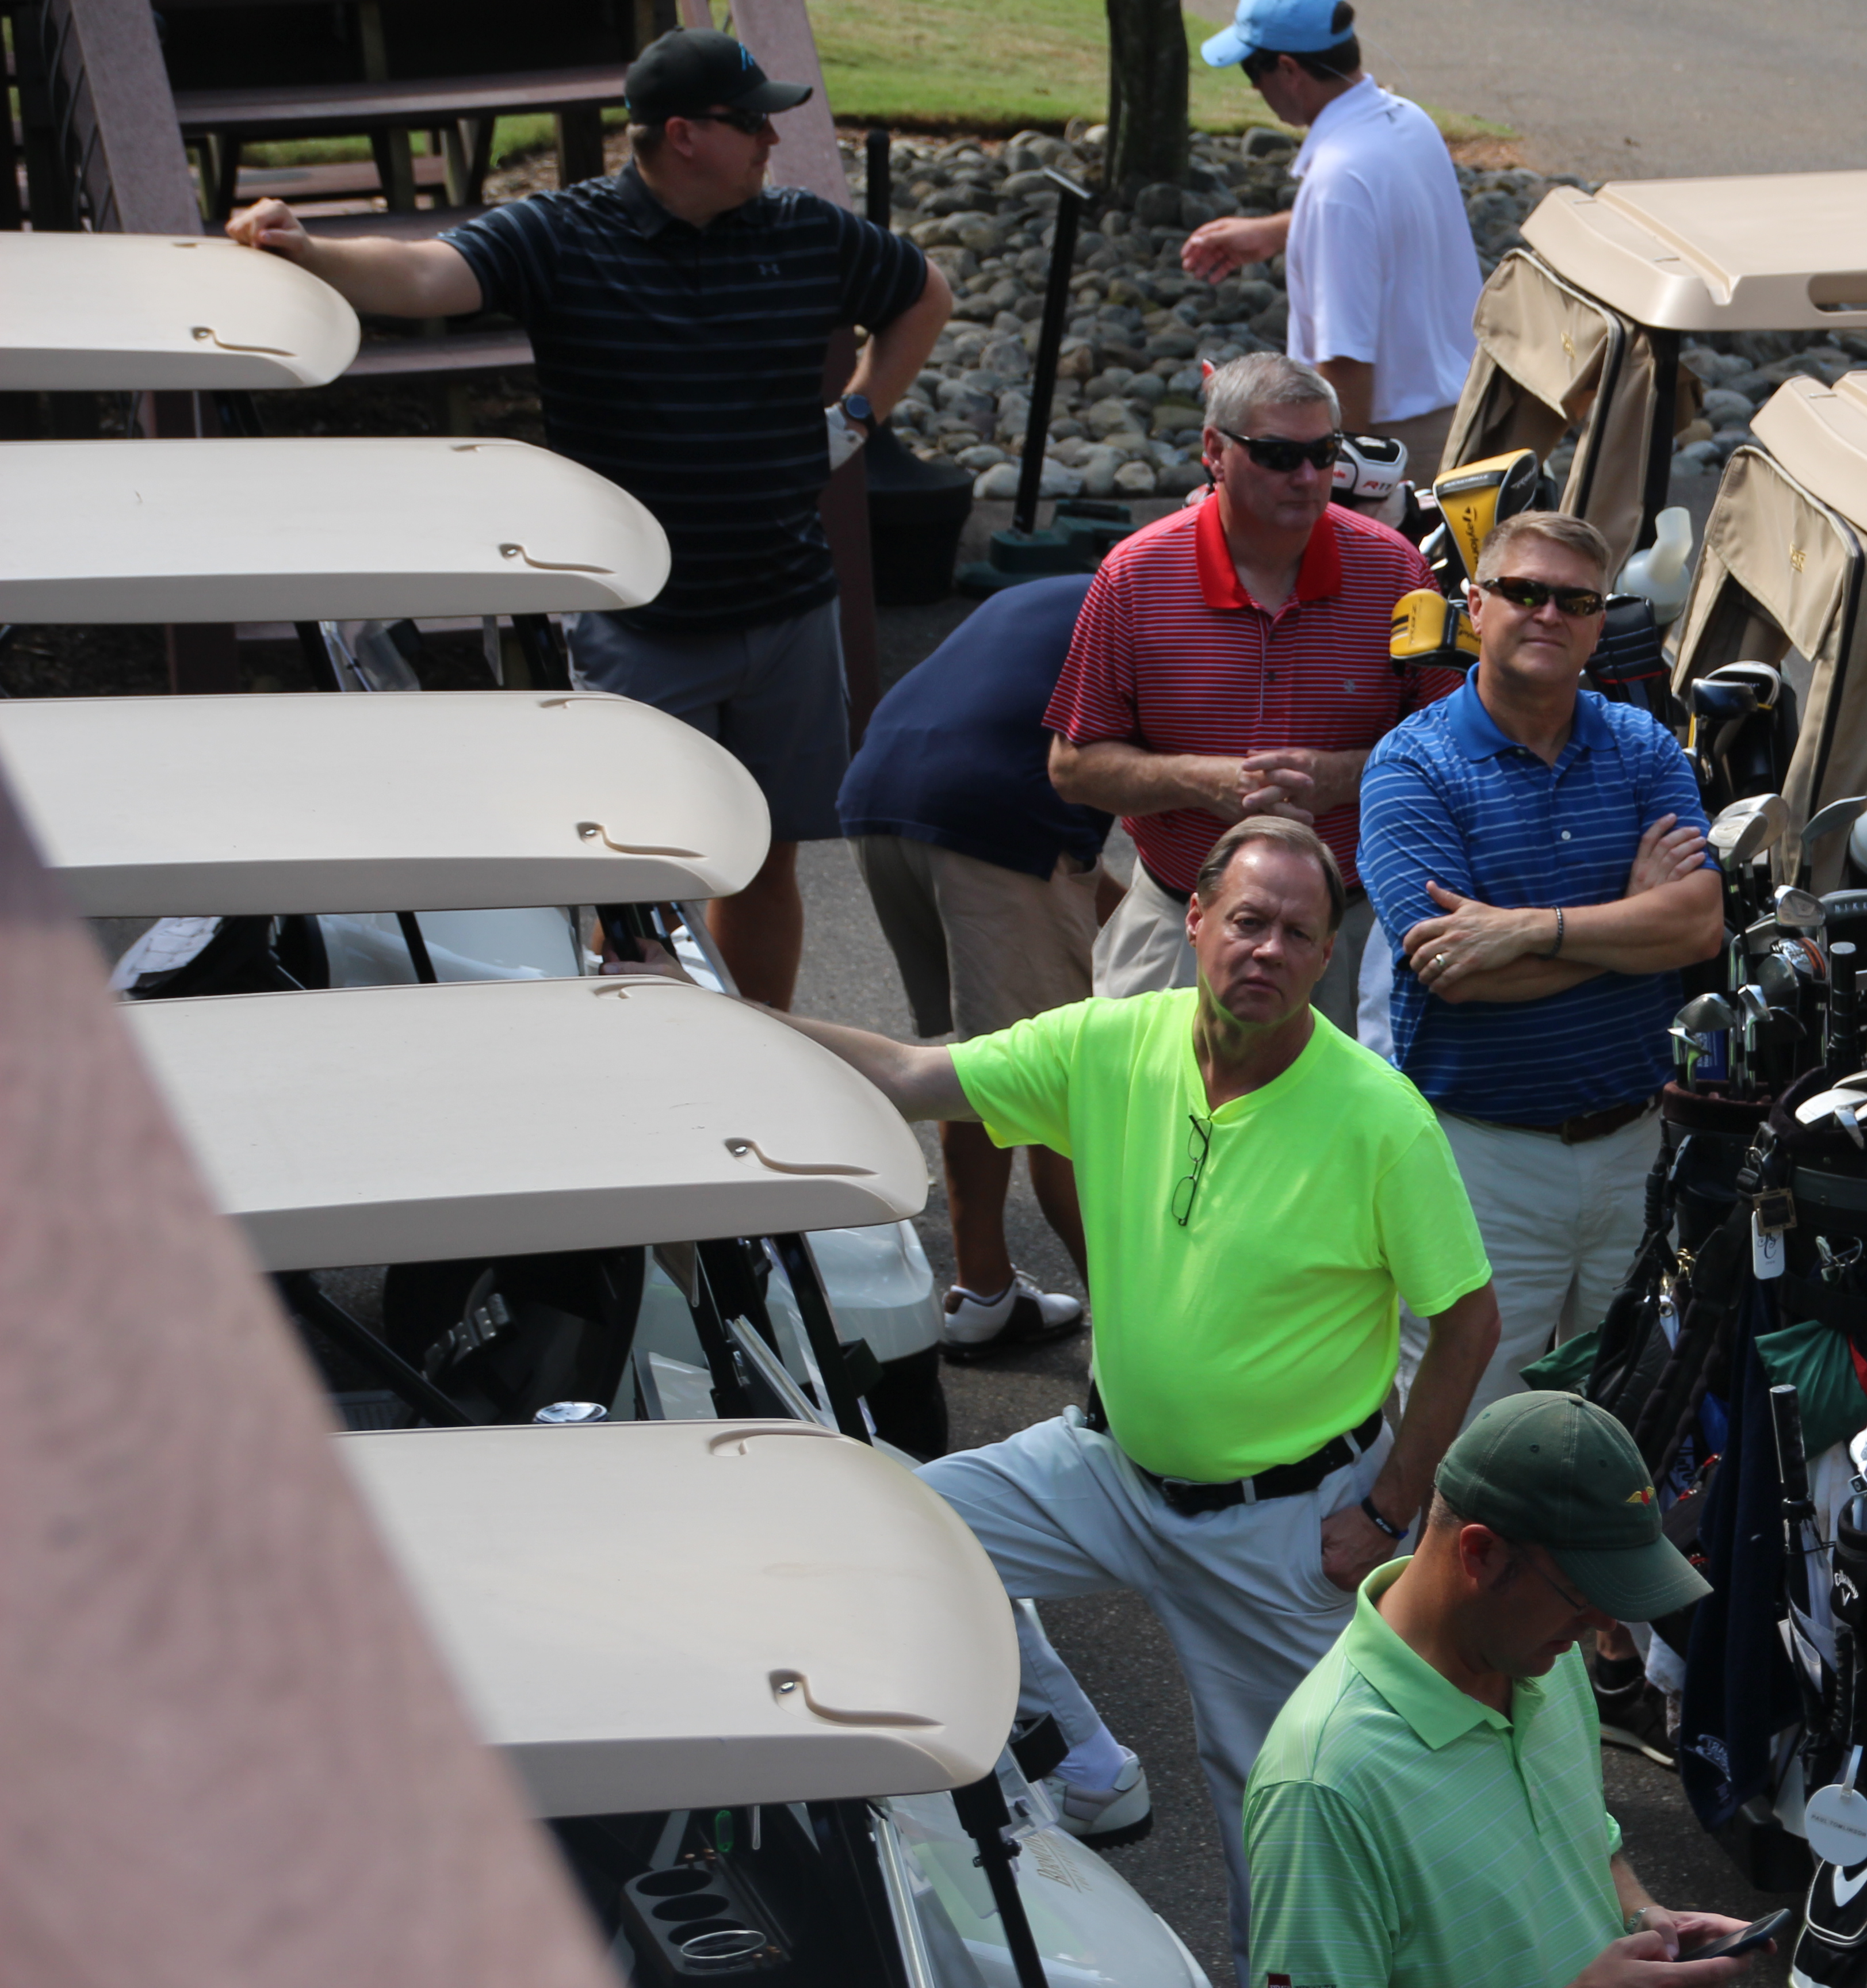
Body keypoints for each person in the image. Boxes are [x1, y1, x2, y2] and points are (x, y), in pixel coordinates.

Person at [618, 815, 1499, 1965]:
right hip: (1104, 1471)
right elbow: (911, 1073)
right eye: (1247, 921)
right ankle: (1077, 1758)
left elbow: (1468, 1320)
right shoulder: (1111, 1042)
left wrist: (1387, 1506)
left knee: (1282, 1821)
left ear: (1328, 954)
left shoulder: (1380, 1119)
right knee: (891, 1542)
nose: (1268, 951)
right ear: (1195, 919)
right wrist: (715, 1018)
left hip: (1283, 1530)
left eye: (1297, 933)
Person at [228, 28, 954, 1011]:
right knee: (634, 882)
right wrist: (306, 249)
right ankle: (644, 1063)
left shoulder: (805, 232)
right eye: (752, 123)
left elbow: (922, 295)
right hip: (636, 622)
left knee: (763, 861)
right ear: (684, 134)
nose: (773, 140)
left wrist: (856, 418)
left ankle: (766, 1048)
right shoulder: (562, 235)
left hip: (788, 606)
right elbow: (428, 276)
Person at [1359, 512, 1720, 1417]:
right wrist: (1628, 926)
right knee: (1463, 1437)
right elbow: (1459, 972)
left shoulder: (1644, 745)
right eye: (1523, 591)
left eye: (1576, 601)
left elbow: (1698, 927)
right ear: (1475, 606)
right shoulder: (1411, 767)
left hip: (1635, 1150)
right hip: (1480, 1163)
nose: (1548, 614)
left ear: (1600, 624)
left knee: (1620, 1424)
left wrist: (1527, 930)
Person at [1245, 1391, 1755, 1988]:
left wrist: (1644, 1919)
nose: (1603, 1625)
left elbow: (1581, 1838)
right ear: (1481, 1553)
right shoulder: (1321, 1790)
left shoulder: (1540, 1657)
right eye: (1582, 1593)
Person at [1046, 352, 1459, 1033]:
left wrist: (1344, 776)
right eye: (1278, 455)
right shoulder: (1136, 576)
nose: (1308, 477)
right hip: (1180, 926)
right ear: (1214, 450)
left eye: (1324, 454)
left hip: (1347, 936)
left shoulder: (1393, 571)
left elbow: (1454, 753)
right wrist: (1201, 781)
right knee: (1151, 1103)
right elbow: (1073, 767)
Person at [838, 575, 1104, 1356]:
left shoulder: (1061, 591)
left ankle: (984, 1292)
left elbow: (1086, 877)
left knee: (981, 1061)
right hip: (992, 814)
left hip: (881, 797)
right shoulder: (1176, 616)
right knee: (1064, 1081)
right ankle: (1142, 1333)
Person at [1181, 0, 1481, 481]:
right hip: (1465, 415)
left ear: (1288, 69)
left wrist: (1335, 488)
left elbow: (1347, 364)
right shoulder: (1409, 122)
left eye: (1252, 71)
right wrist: (1278, 232)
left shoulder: (1338, 186)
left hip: (1396, 449)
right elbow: (1385, 219)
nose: (1255, 88)